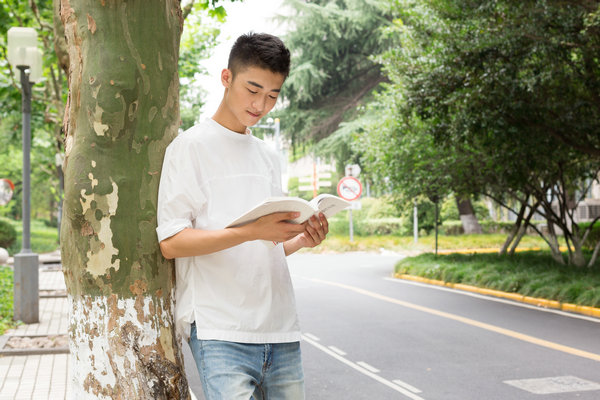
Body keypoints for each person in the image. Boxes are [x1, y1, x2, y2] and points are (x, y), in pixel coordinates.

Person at [156, 32, 329, 399]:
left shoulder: (267, 156)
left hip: (280, 330)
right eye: (253, 89)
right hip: (221, 331)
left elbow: (265, 246)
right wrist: (252, 231)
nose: (261, 104)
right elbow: (171, 243)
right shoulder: (189, 148)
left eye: (272, 95)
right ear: (226, 78)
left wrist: (301, 238)